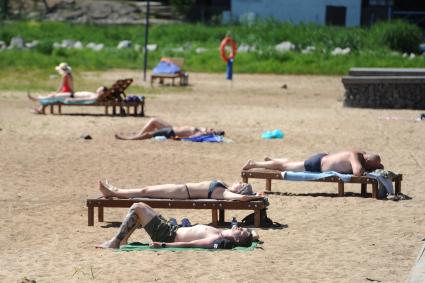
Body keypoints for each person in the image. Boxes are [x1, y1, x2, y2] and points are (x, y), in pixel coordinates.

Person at [96, 202, 259, 249]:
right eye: (242, 227)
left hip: (167, 235)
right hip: (170, 228)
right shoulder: (221, 233)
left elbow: (191, 244)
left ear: (238, 240)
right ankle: (123, 240)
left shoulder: (215, 238)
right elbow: (253, 237)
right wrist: (253, 236)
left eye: (242, 231)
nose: (240, 228)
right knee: (141, 206)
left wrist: (164, 244)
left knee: (136, 208)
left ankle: (115, 242)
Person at [242, 150, 384, 177]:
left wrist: (377, 166)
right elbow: (358, 173)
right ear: (366, 160)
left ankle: (273, 160)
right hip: (317, 164)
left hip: (322, 159)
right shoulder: (356, 156)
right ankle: (254, 164)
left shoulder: (361, 154)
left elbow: (376, 163)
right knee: (284, 168)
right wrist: (369, 170)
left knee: (290, 163)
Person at [99, 179, 265, 201]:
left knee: (145, 190)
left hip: (182, 193)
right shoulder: (226, 187)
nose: (238, 181)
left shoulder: (224, 193)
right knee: (146, 190)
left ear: (239, 190)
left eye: (241, 184)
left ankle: (114, 192)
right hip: (181, 189)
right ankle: (115, 191)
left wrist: (255, 197)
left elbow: (242, 199)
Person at [114, 117, 225, 140]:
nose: (210, 128)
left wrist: (203, 133)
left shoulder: (201, 134)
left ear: (212, 134)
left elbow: (191, 138)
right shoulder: (202, 129)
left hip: (170, 132)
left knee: (149, 132)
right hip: (171, 128)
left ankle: (133, 137)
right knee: (154, 120)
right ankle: (138, 133)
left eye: (212, 130)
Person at [28, 86, 108, 114]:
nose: (98, 89)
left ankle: (39, 98)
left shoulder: (96, 97)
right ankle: (40, 99)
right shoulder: (95, 95)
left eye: (100, 89)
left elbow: (85, 99)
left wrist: (72, 100)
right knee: (54, 95)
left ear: (102, 92)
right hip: (72, 95)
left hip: (72, 96)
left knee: (55, 95)